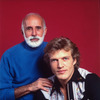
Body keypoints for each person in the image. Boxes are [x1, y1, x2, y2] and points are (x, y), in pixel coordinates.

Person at [0, 13, 52, 100]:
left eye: (38, 28)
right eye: (29, 29)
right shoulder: (9, 56)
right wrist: (31, 87)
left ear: (45, 31)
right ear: (22, 32)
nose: (34, 33)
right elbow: (1, 95)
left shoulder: (54, 51)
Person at [35, 37, 100, 100]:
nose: (60, 65)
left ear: (74, 60)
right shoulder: (44, 90)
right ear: (49, 63)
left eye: (65, 58)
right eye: (54, 60)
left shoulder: (91, 80)